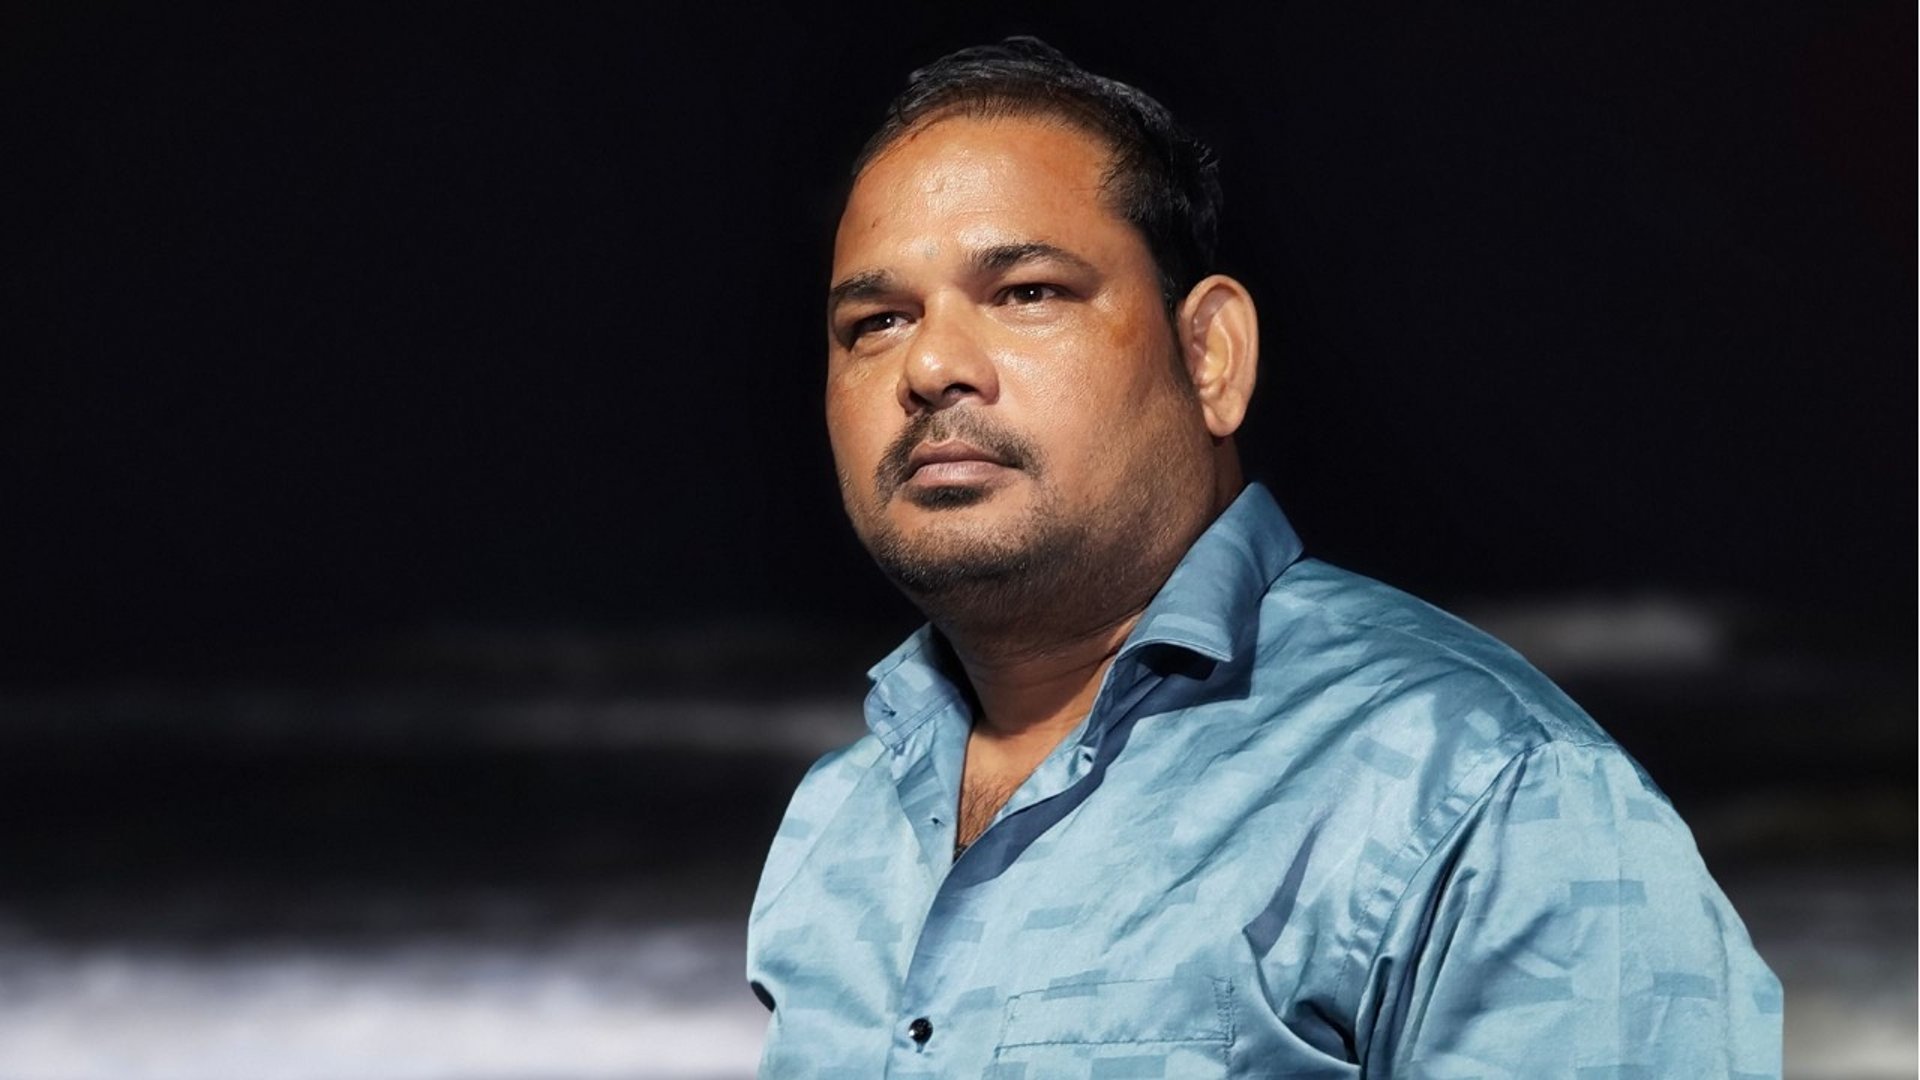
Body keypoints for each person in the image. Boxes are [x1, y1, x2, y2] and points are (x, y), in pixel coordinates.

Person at [748, 36, 1780, 1077]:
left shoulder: (1485, 790)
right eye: (875, 322)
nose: (929, 366)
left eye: (1027, 292)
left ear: (1210, 356)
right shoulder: (841, 820)